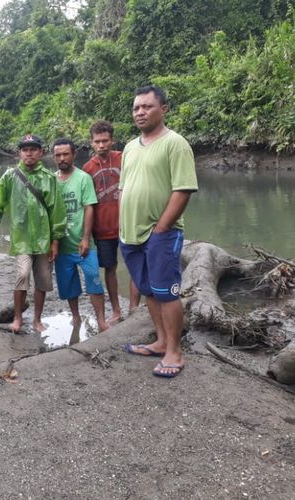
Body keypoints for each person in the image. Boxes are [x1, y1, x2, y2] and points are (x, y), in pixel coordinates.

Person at [119, 85, 198, 378]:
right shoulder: (129, 147)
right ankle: (161, 341)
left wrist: (161, 228)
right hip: (130, 234)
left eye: (147, 106)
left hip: (161, 234)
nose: (140, 112)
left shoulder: (175, 144)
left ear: (163, 109)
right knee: (150, 290)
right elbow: (124, 189)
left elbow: (183, 190)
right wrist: (121, 227)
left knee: (167, 293)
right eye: (136, 107)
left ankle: (175, 352)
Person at [0, 134, 67, 334]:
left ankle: (37, 319)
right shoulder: (10, 176)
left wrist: (55, 241)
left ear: (40, 152)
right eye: (25, 149)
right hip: (21, 239)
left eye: (33, 149)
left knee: (43, 279)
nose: (29, 153)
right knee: (22, 275)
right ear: (19, 153)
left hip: (44, 239)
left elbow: (57, 212)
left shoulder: (49, 179)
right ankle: (18, 318)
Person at [82, 120, 140, 322]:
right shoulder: (87, 168)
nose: (101, 145)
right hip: (102, 230)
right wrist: (85, 235)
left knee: (135, 265)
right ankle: (116, 310)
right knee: (110, 268)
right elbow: (86, 204)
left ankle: (133, 307)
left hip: (128, 224)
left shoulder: (124, 159)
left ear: (112, 140)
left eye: (105, 141)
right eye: (97, 141)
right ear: (91, 142)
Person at [53, 138, 110, 335]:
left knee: (94, 278)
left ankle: (101, 321)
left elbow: (89, 208)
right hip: (61, 246)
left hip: (83, 243)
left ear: (73, 154)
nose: (62, 158)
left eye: (65, 154)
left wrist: (86, 238)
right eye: (58, 155)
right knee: (69, 285)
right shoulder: (51, 181)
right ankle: (76, 317)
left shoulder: (83, 178)